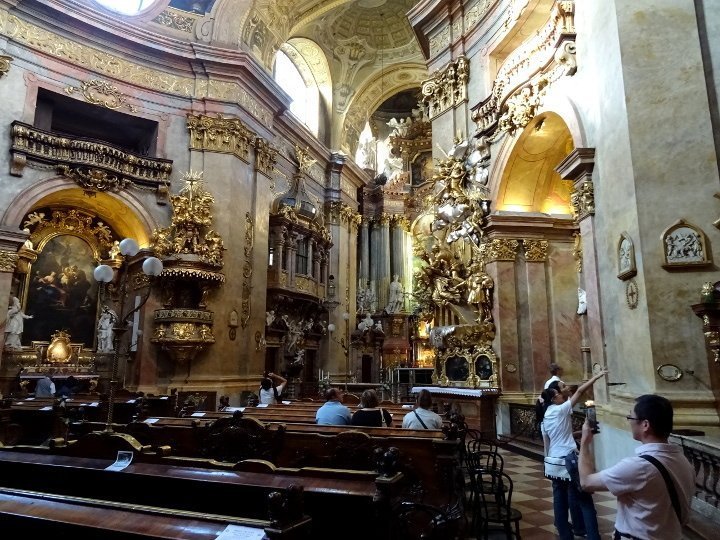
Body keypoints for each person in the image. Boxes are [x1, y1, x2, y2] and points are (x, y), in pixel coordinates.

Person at [579, 394, 695, 540]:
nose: (629, 422)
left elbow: (586, 482)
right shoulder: (682, 460)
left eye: (631, 418)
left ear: (645, 425)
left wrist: (584, 442)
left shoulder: (639, 467)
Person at [538, 369, 608, 540]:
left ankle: (565, 535)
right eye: (561, 390)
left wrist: (580, 433)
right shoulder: (560, 409)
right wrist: (597, 377)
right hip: (568, 460)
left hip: (554, 461)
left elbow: (554, 439)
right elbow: (580, 391)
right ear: (555, 397)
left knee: (559, 502)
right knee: (585, 501)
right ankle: (593, 536)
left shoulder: (545, 415)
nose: (564, 392)